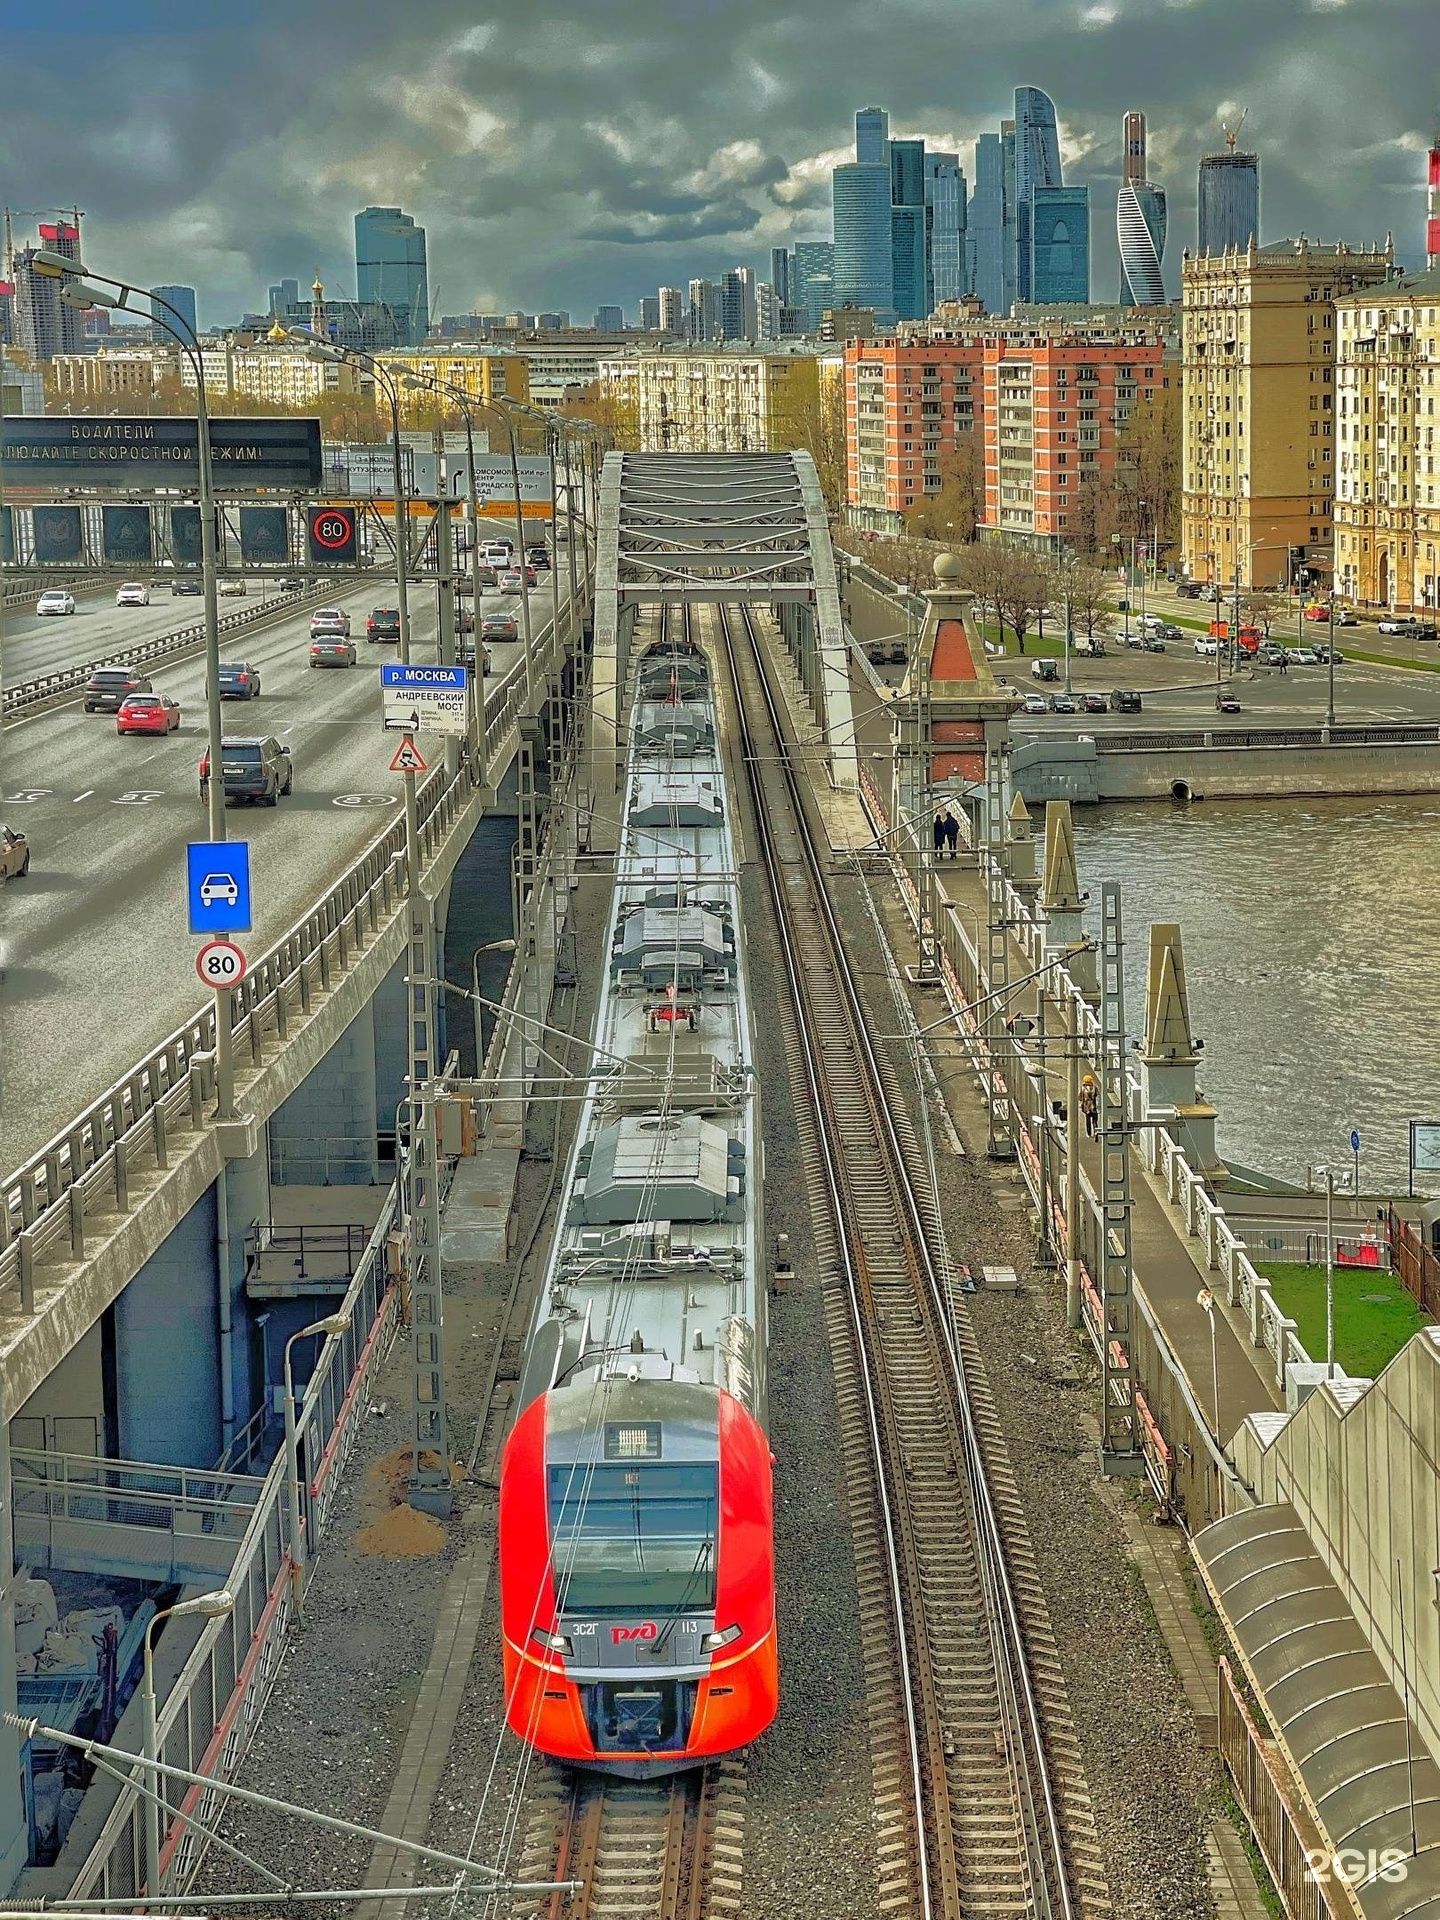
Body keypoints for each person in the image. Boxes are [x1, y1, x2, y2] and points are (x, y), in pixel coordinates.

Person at [1079, 1073, 1099, 1139]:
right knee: (1091, 1121)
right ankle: (1092, 1133)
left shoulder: (1085, 1088)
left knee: (1091, 1121)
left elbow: (1079, 1097)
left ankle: (1092, 1133)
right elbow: (1097, 1095)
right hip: (1090, 1106)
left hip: (1090, 1106)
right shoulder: (1093, 1087)